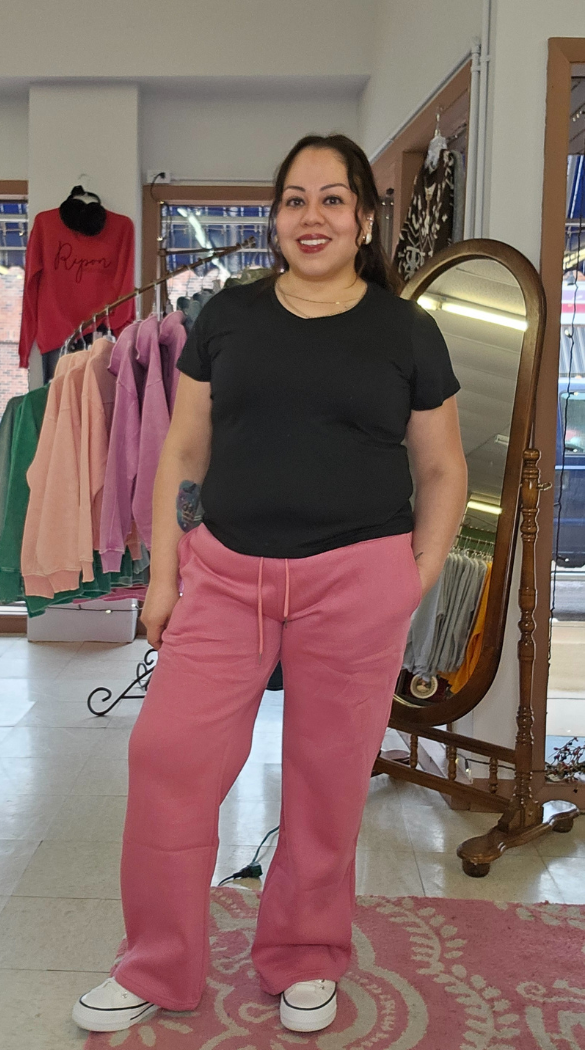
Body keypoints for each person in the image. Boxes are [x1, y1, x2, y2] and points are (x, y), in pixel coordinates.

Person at [72, 133, 467, 1035]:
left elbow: (443, 469)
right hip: (224, 574)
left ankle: (303, 956)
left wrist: (416, 577)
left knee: (326, 781)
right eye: (295, 199)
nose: (313, 216)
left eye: (333, 199)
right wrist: (162, 577)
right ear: (275, 218)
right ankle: (158, 963)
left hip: (357, 582)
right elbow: (183, 448)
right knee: (166, 758)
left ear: (365, 218)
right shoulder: (227, 317)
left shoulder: (406, 330)